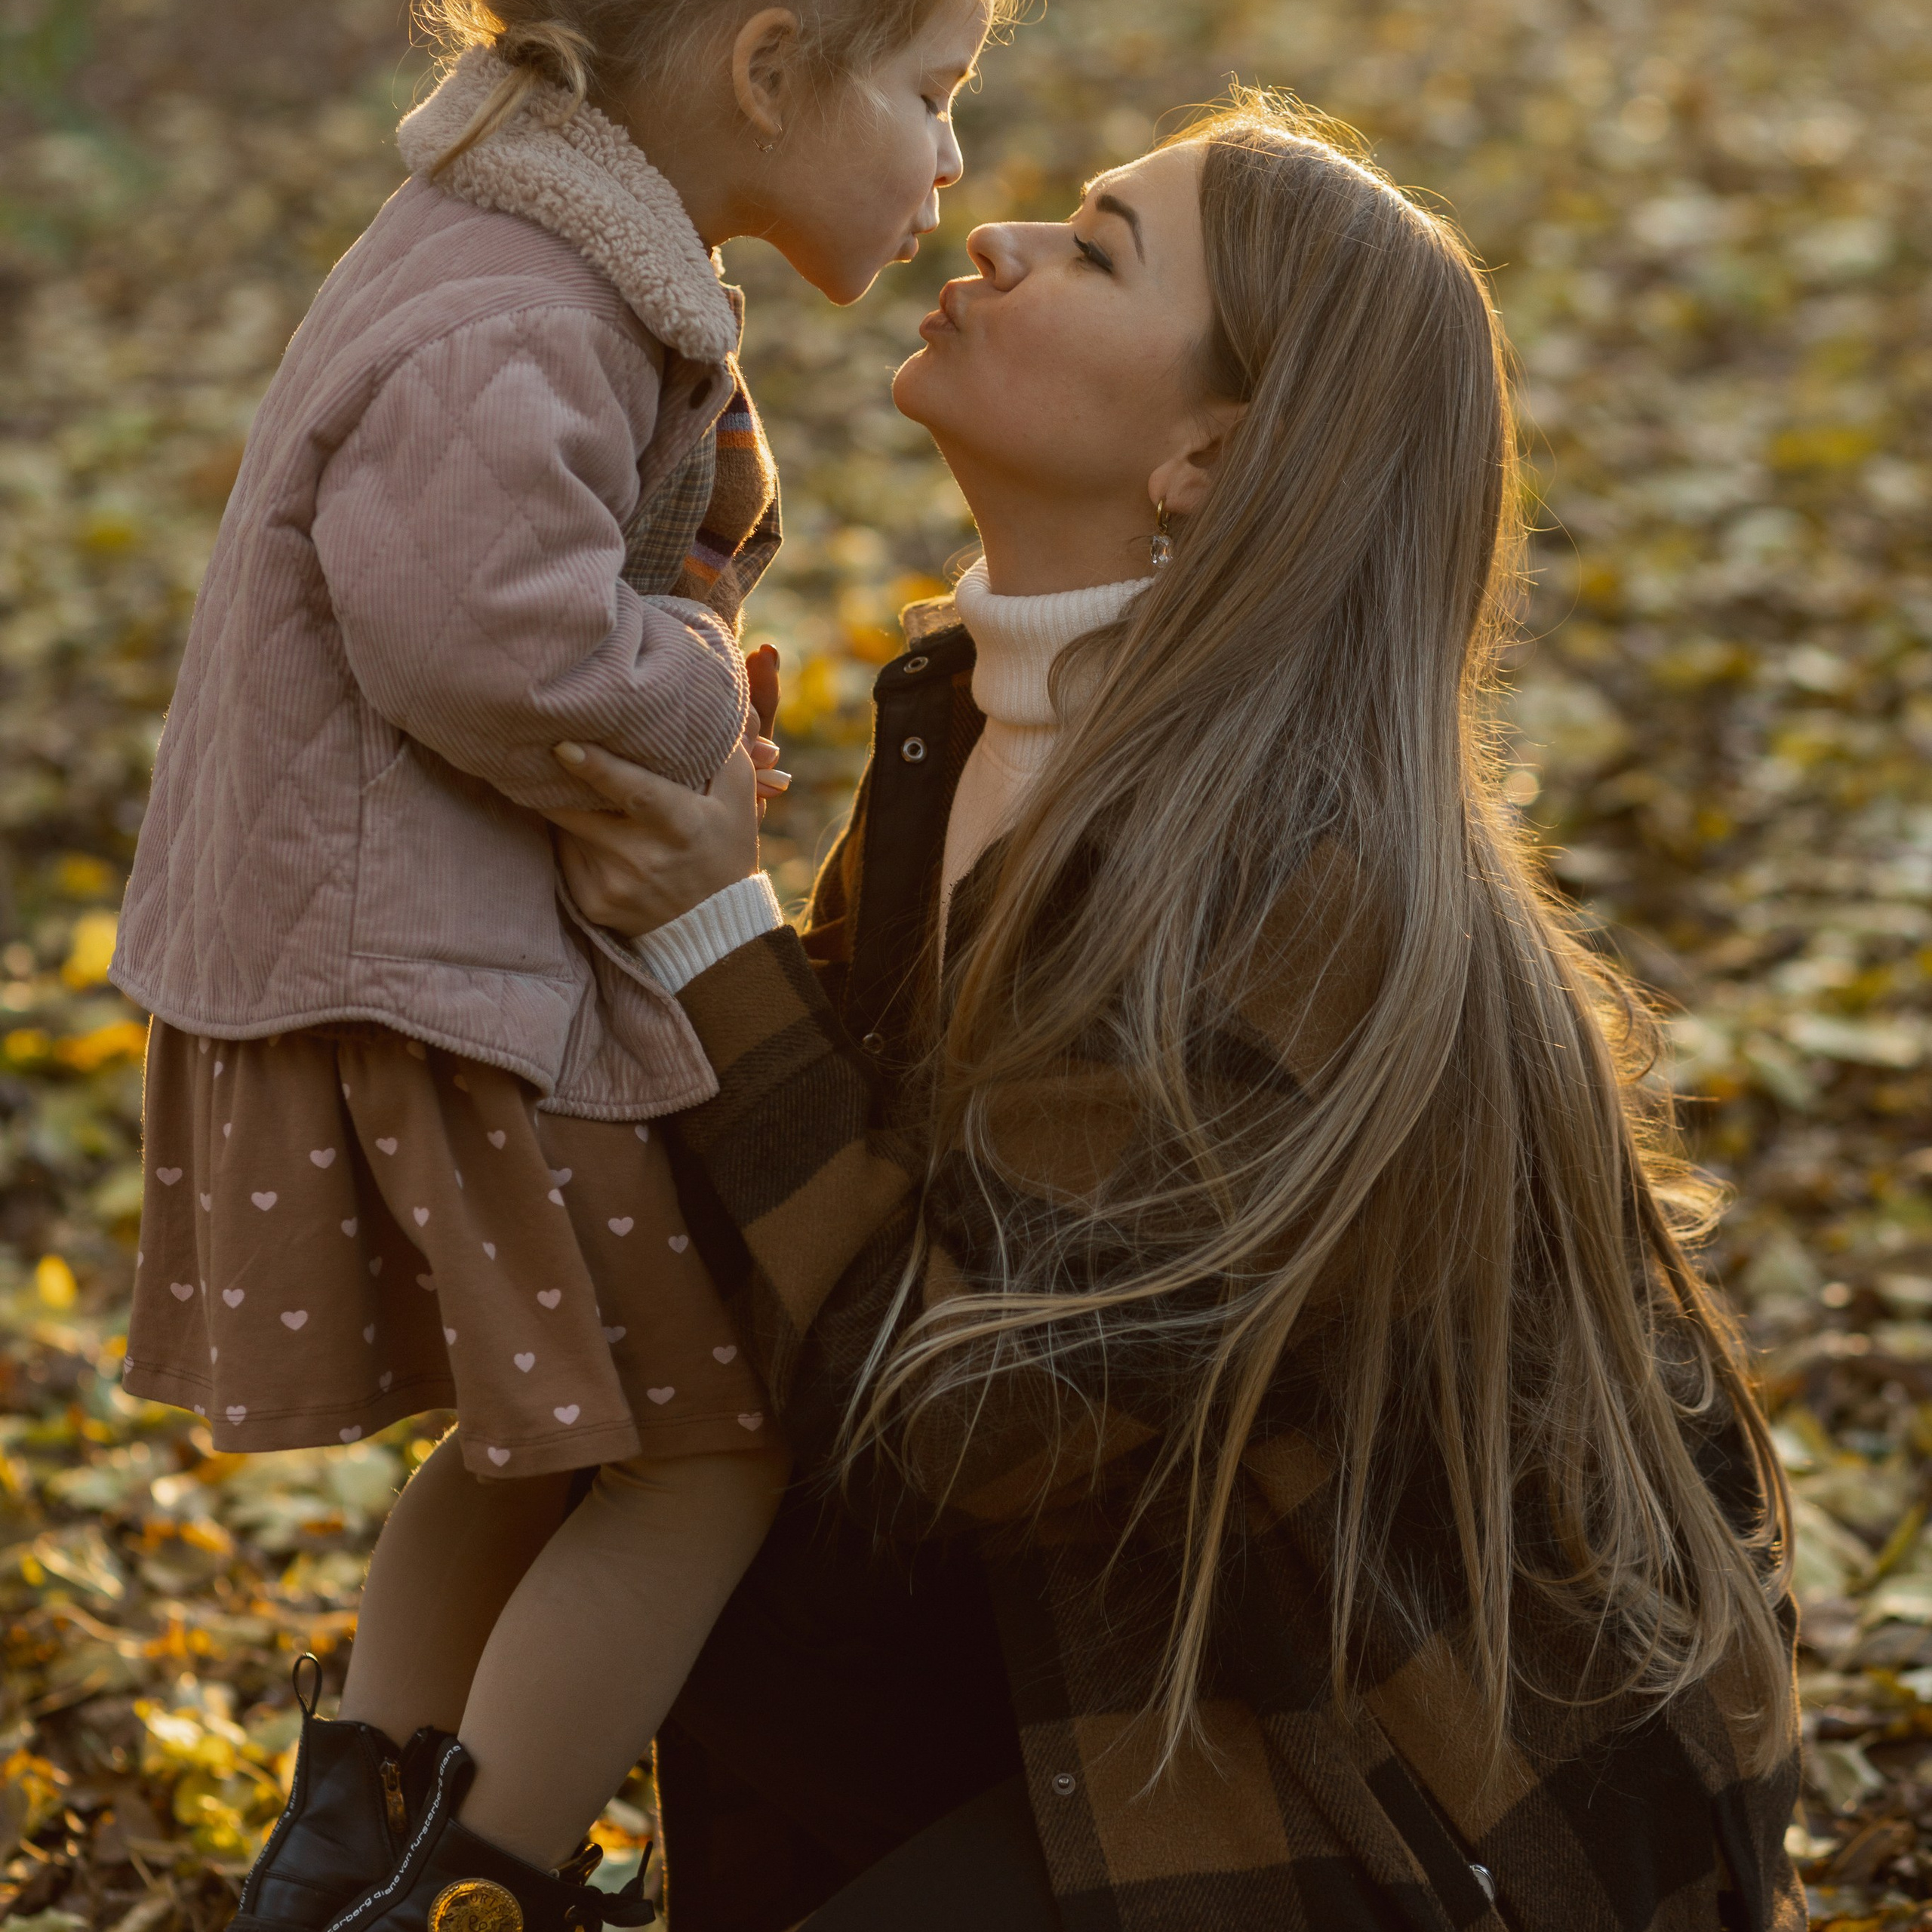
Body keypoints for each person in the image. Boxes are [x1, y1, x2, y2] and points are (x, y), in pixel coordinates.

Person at [545, 97, 1806, 1930]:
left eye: (1096, 249)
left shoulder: (1299, 882)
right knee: (659, 1511)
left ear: (1206, 453)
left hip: (1409, 1791)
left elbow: (976, 1413)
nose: (996, 240)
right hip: (1118, 1632)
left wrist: (711, 933)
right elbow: (817, 1225)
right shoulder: (967, 729)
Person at [109, 2, 998, 1927]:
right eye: (931, 99)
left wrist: (652, 659)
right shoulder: (525, 300)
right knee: (699, 1451)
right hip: (424, 968)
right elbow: (485, 639)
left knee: (541, 1431)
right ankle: (485, 1879)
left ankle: (357, 1846)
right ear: (767, 70)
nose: (952, 166)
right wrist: (680, 685)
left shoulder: (526, 242)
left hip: (412, 943)